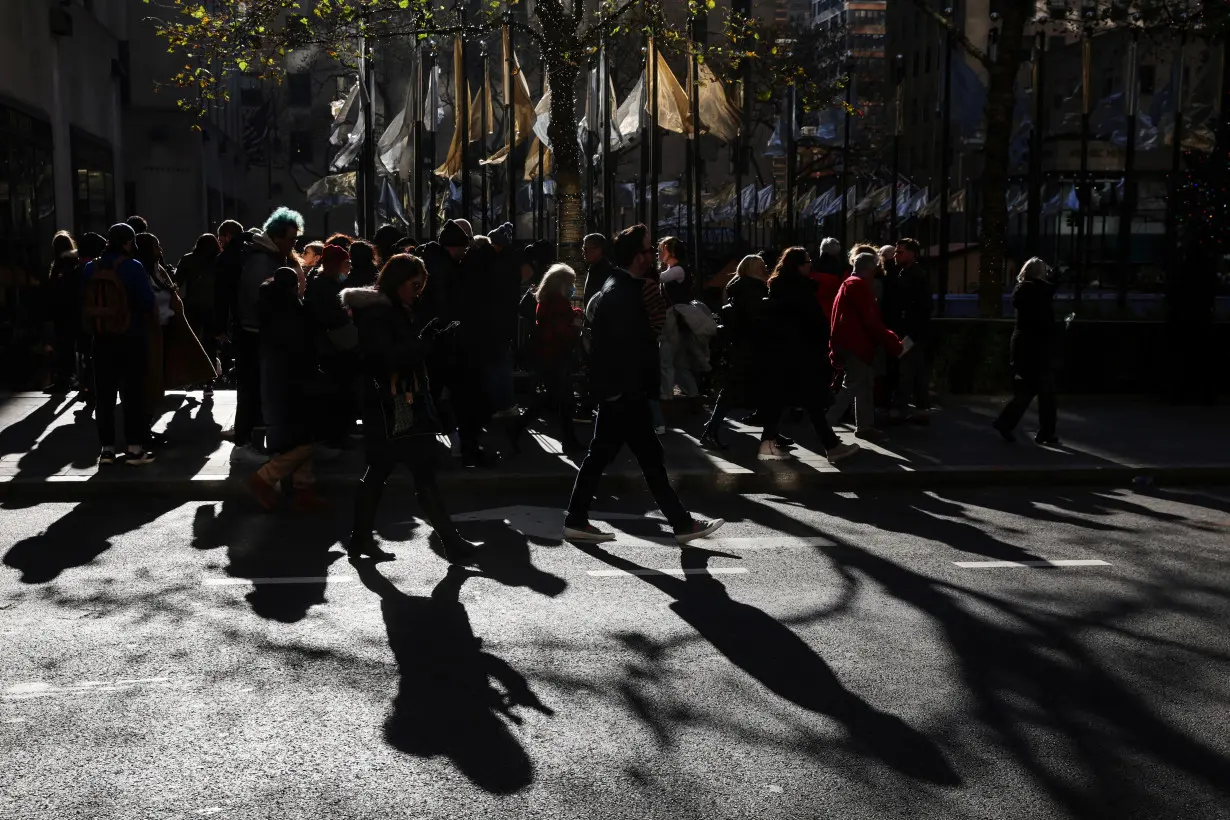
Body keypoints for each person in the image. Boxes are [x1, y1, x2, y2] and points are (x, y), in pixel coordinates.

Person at [563, 224, 724, 545]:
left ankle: (579, 518)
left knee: (628, 456)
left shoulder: (618, 284)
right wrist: (625, 388)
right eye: (649, 250)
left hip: (621, 390)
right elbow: (631, 343)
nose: (653, 255)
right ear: (638, 257)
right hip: (627, 391)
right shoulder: (630, 291)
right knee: (641, 458)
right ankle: (680, 523)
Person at [343, 254, 478, 563]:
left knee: (386, 471)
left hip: (398, 402)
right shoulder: (379, 312)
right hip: (392, 403)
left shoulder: (394, 309)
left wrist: (429, 340)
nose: (418, 291)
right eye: (415, 285)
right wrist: (425, 343)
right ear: (397, 281)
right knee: (415, 472)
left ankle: (361, 538)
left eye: (421, 286)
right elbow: (384, 357)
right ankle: (450, 542)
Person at [756, 248, 861, 463]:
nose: (810, 265)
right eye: (807, 262)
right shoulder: (800, 290)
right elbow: (814, 322)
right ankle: (831, 447)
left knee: (787, 400)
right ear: (797, 265)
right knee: (810, 401)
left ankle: (828, 446)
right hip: (802, 352)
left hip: (786, 352)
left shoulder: (780, 287)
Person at [247, 267, 330, 512]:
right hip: (294, 382)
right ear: (294, 286)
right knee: (302, 441)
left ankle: (304, 491)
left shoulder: (270, 308)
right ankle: (263, 478)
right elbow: (303, 347)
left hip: (277, 380)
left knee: (299, 438)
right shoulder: (293, 312)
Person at [233, 207, 305, 461]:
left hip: (260, 333)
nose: (293, 244)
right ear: (276, 237)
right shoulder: (263, 262)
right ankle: (243, 443)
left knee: (259, 390)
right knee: (253, 389)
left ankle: (248, 440)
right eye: (291, 239)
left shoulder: (271, 258)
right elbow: (256, 302)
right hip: (255, 334)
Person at [82, 223, 156, 465]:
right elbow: (146, 302)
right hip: (130, 337)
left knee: (104, 396)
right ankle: (135, 449)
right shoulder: (133, 267)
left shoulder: (89, 268)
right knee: (133, 394)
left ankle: (107, 449)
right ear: (127, 242)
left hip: (101, 338)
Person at [826, 253, 904, 439]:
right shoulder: (859, 287)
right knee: (853, 384)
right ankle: (826, 422)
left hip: (851, 343)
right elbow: (871, 321)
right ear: (870, 269)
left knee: (864, 384)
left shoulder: (848, 284)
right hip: (858, 344)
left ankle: (864, 425)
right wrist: (893, 342)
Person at [700, 254, 769, 449]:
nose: (766, 269)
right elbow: (756, 322)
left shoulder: (737, 289)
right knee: (736, 391)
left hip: (739, 348)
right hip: (751, 348)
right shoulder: (755, 292)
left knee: (734, 390)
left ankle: (771, 434)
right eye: (762, 266)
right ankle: (712, 429)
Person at [993, 258, 1061, 445]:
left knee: (1027, 391)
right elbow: (1046, 301)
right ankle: (1045, 432)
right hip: (1038, 351)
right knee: (1047, 394)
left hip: (1024, 349)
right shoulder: (1037, 292)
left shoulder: (1023, 290)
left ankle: (1005, 422)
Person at [522, 263, 584, 450]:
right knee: (562, 400)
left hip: (548, 355)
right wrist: (575, 327)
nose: (573, 287)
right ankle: (569, 441)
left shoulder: (548, 299)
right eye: (570, 283)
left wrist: (574, 316)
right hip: (555, 355)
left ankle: (517, 426)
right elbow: (561, 331)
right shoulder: (557, 301)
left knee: (556, 398)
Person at [304, 244, 359, 446]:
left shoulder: (322, 283)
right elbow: (325, 316)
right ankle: (335, 436)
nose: (349, 268)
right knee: (338, 391)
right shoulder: (325, 286)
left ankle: (336, 434)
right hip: (332, 346)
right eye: (346, 264)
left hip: (332, 345)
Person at [889, 237, 932, 420]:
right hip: (913, 330)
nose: (896, 256)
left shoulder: (914, 275)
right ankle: (920, 408)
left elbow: (923, 306)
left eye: (900, 252)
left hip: (911, 331)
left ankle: (901, 408)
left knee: (907, 370)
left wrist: (912, 333)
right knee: (916, 370)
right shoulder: (908, 273)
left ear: (912, 254)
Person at [174, 233, 223, 393]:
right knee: (210, 343)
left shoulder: (188, 259)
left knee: (192, 342)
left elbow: (177, 281)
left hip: (192, 306)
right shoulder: (219, 260)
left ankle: (191, 379)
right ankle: (209, 382)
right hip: (213, 306)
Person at [46, 231, 80, 393]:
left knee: (63, 346)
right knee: (68, 346)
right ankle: (68, 378)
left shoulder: (62, 265)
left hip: (62, 312)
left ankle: (64, 378)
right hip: (72, 311)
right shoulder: (74, 263)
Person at [581, 233, 613, 304]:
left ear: (598, 250)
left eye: (585, 249)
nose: (583, 253)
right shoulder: (594, 267)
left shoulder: (604, 271)